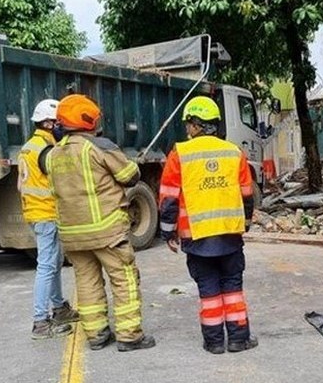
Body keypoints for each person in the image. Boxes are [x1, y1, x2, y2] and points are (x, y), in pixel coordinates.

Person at [45, 94, 155, 352]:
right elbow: (130, 177)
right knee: (123, 278)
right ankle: (129, 336)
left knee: (86, 281)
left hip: (73, 233)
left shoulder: (52, 155)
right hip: (107, 230)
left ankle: (96, 334)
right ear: (89, 121)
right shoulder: (99, 146)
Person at [158, 96, 257, 355]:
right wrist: (244, 224)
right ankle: (238, 340)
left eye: (188, 124)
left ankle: (214, 342)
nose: (187, 129)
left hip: (198, 237)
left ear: (195, 125)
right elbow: (247, 194)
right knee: (233, 288)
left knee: (209, 290)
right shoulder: (234, 153)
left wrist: (168, 232)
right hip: (229, 235)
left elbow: (169, 196)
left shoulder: (180, 154)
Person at [18, 99, 79, 340]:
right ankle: (40, 322)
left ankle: (59, 309)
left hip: (36, 212)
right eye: (58, 122)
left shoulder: (29, 146)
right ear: (47, 123)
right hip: (46, 214)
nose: (61, 126)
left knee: (53, 263)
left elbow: (19, 185)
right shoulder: (46, 150)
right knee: (46, 266)